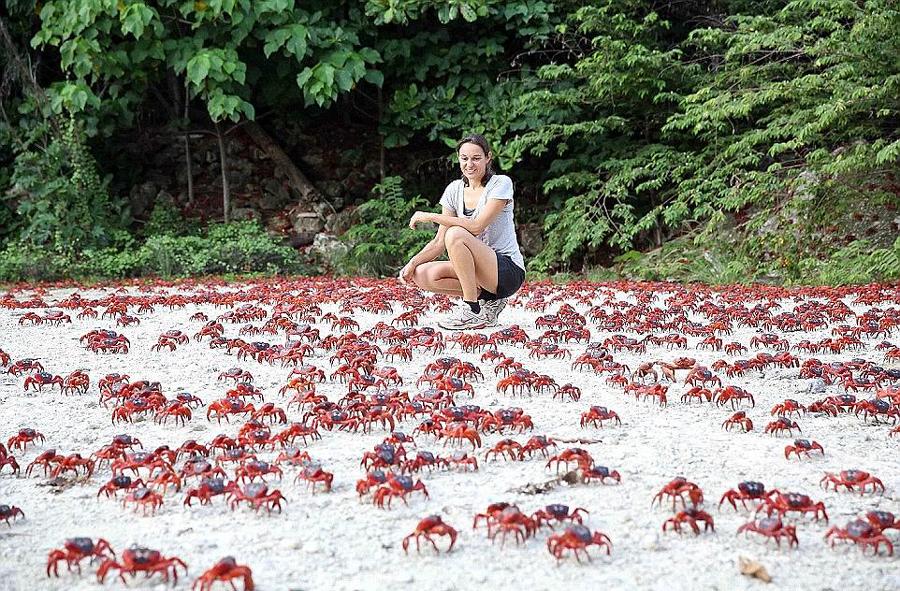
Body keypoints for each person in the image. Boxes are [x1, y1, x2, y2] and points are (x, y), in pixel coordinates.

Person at [400, 133, 526, 330]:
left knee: (456, 234)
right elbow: (439, 242)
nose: (470, 164)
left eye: (476, 158)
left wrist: (430, 216)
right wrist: (412, 263)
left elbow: (476, 226)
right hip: (476, 272)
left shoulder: (501, 183)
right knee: (421, 274)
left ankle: (472, 309)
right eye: (464, 158)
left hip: (506, 271)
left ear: (488, 157)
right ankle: (487, 301)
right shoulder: (454, 190)